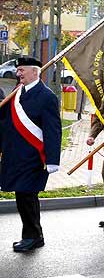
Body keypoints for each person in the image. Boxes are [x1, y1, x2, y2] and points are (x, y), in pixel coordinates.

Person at [0, 56, 62, 252]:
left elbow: (53, 130)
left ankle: (33, 236)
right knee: (22, 197)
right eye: (18, 71)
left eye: (22, 71)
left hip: (34, 158)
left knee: (27, 197)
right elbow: (7, 121)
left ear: (35, 72)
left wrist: (52, 160)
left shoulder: (47, 97)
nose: (18, 74)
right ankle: (33, 235)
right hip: (15, 156)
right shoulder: (17, 93)